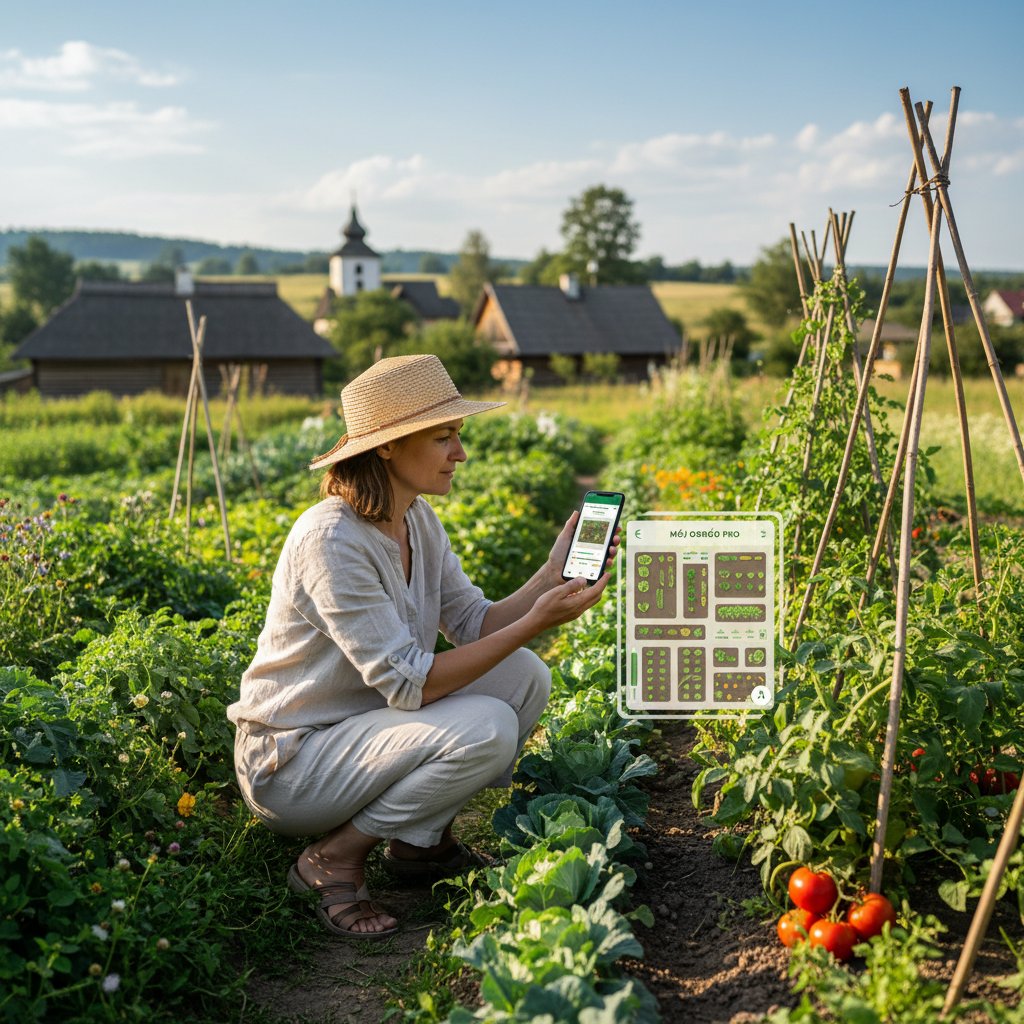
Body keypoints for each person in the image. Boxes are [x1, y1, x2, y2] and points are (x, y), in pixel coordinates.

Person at [227, 354, 617, 939]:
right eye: (444, 437)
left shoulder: (418, 520)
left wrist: (549, 576)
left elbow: (474, 621)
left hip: (363, 730)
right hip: (295, 762)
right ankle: (332, 858)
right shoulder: (331, 540)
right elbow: (411, 684)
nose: (460, 453)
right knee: (487, 724)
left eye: (457, 435)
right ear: (387, 447)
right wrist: (536, 620)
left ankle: (416, 846)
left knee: (525, 677)